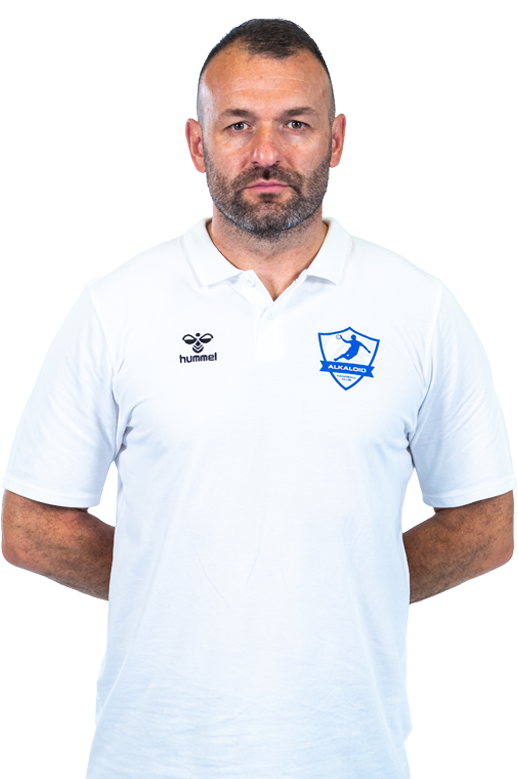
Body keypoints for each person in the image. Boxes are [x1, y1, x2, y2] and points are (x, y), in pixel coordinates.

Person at [1, 18, 515, 779]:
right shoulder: (118, 309)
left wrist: (350, 578)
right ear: (196, 142)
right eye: (238, 124)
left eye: (295, 124)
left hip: (353, 757)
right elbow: (31, 525)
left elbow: (487, 525)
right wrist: (173, 576)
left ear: (337, 139)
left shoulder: (419, 309)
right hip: (151, 757)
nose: (266, 152)